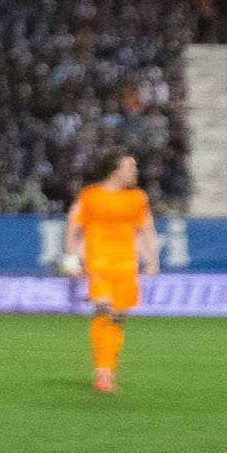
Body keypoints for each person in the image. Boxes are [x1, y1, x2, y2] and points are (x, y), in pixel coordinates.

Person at [64, 150, 157, 394]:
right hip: (98, 264)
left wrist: (151, 261)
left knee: (116, 319)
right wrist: (71, 257)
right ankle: (101, 373)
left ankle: (107, 370)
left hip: (126, 266)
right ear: (116, 170)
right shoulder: (90, 196)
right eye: (130, 167)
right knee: (104, 310)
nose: (134, 172)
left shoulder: (138, 198)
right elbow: (74, 225)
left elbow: (146, 230)